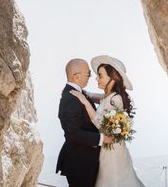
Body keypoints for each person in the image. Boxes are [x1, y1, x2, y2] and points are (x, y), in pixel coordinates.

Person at [70, 55, 145, 187]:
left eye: (100, 75)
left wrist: (84, 101)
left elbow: (103, 126)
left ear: (113, 78)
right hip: (107, 152)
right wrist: (86, 94)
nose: (96, 78)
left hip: (113, 155)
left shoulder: (116, 99)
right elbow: (101, 99)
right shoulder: (109, 97)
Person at [57, 58, 114, 186]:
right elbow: (72, 134)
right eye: (88, 73)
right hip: (80, 163)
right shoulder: (70, 97)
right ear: (76, 76)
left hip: (87, 162)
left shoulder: (80, 93)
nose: (90, 76)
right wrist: (102, 139)